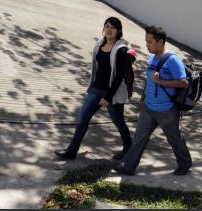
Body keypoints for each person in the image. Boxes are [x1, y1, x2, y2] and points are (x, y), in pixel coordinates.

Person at [114, 25, 192, 176]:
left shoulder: (173, 60)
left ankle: (185, 163)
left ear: (160, 42)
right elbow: (150, 80)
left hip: (166, 109)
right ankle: (128, 166)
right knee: (139, 137)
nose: (147, 45)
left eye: (150, 42)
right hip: (149, 107)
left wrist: (160, 81)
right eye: (146, 42)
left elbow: (183, 82)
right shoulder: (151, 57)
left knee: (174, 138)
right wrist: (143, 98)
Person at [55, 17, 133, 160]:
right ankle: (72, 150)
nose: (109, 29)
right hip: (96, 89)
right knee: (82, 119)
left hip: (112, 93)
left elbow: (119, 76)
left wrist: (108, 97)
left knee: (119, 122)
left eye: (113, 27)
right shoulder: (99, 44)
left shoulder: (121, 49)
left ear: (118, 31)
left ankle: (129, 148)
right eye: (107, 26)